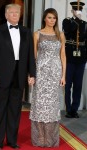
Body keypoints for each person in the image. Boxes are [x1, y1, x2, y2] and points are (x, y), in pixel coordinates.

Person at [0, 4, 36, 150]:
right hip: (1, 76)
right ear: (6, 15)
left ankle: (12, 140)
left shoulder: (26, 31)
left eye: (17, 12)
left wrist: (32, 74)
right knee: (0, 109)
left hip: (19, 76)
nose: (15, 15)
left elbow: (30, 56)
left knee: (15, 110)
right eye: (12, 12)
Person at [29, 8, 66, 147]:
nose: (52, 20)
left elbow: (63, 56)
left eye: (54, 18)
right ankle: (40, 139)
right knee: (39, 105)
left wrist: (63, 75)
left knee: (52, 107)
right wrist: (31, 75)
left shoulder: (60, 35)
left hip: (55, 74)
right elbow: (33, 57)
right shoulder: (37, 34)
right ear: (44, 18)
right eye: (49, 17)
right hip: (41, 73)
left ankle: (50, 140)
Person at [62, 1, 87, 118]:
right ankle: (68, 109)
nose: (78, 12)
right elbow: (68, 31)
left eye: (80, 10)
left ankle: (74, 109)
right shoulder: (67, 21)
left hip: (81, 58)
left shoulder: (86, 24)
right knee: (68, 85)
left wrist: (86, 57)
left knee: (78, 85)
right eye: (76, 10)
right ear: (72, 11)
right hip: (69, 57)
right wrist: (76, 19)